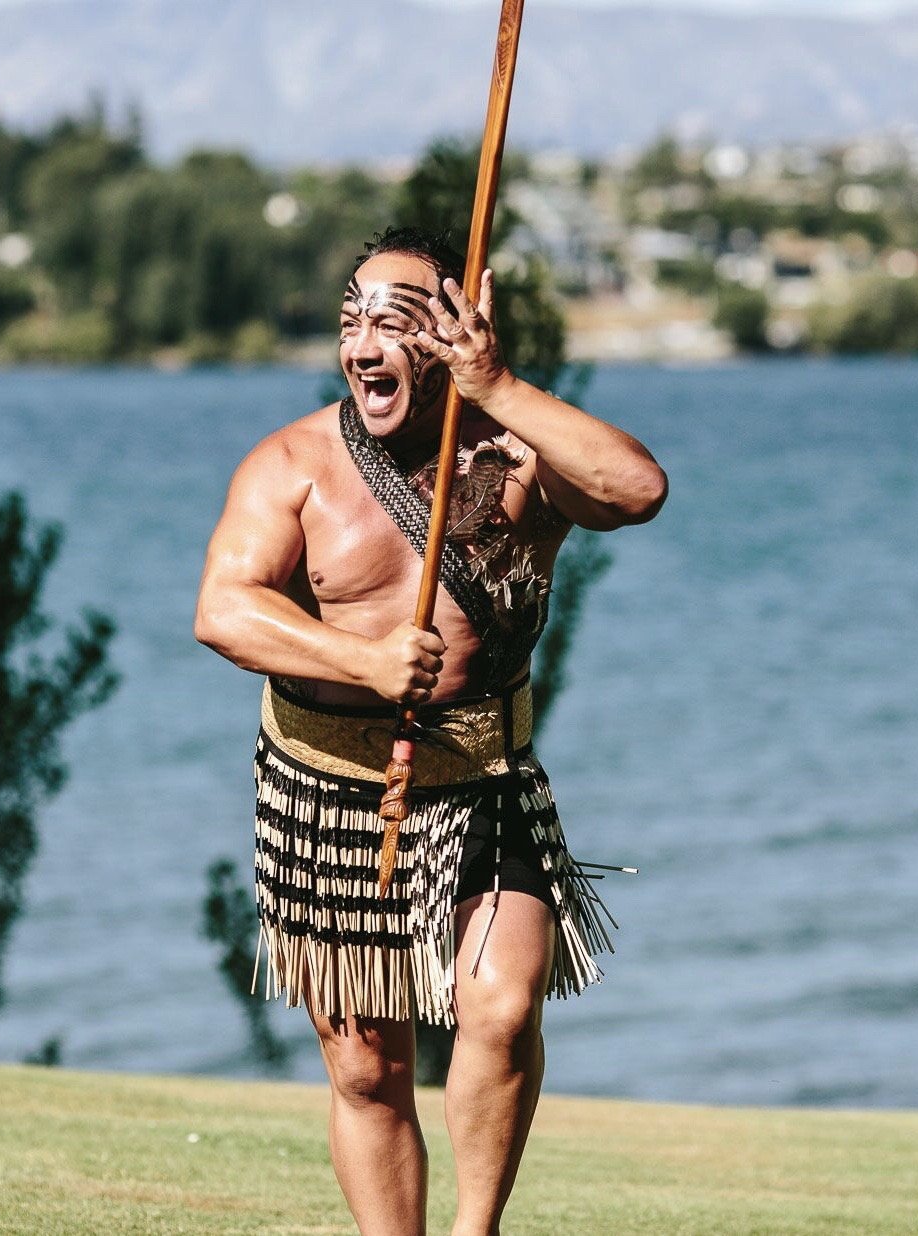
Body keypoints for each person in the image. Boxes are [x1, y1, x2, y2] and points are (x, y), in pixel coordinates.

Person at [194, 226, 666, 1235]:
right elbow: (223, 609)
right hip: (324, 785)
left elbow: (637, 490)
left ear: (456, 331)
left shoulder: (521, 456)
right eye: (350, 323)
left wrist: (496, 387)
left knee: (498, 1011)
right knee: (368, 1064)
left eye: (395, 324)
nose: (364, 345)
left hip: (486, 773)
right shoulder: (294, 463)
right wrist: (360, 661)